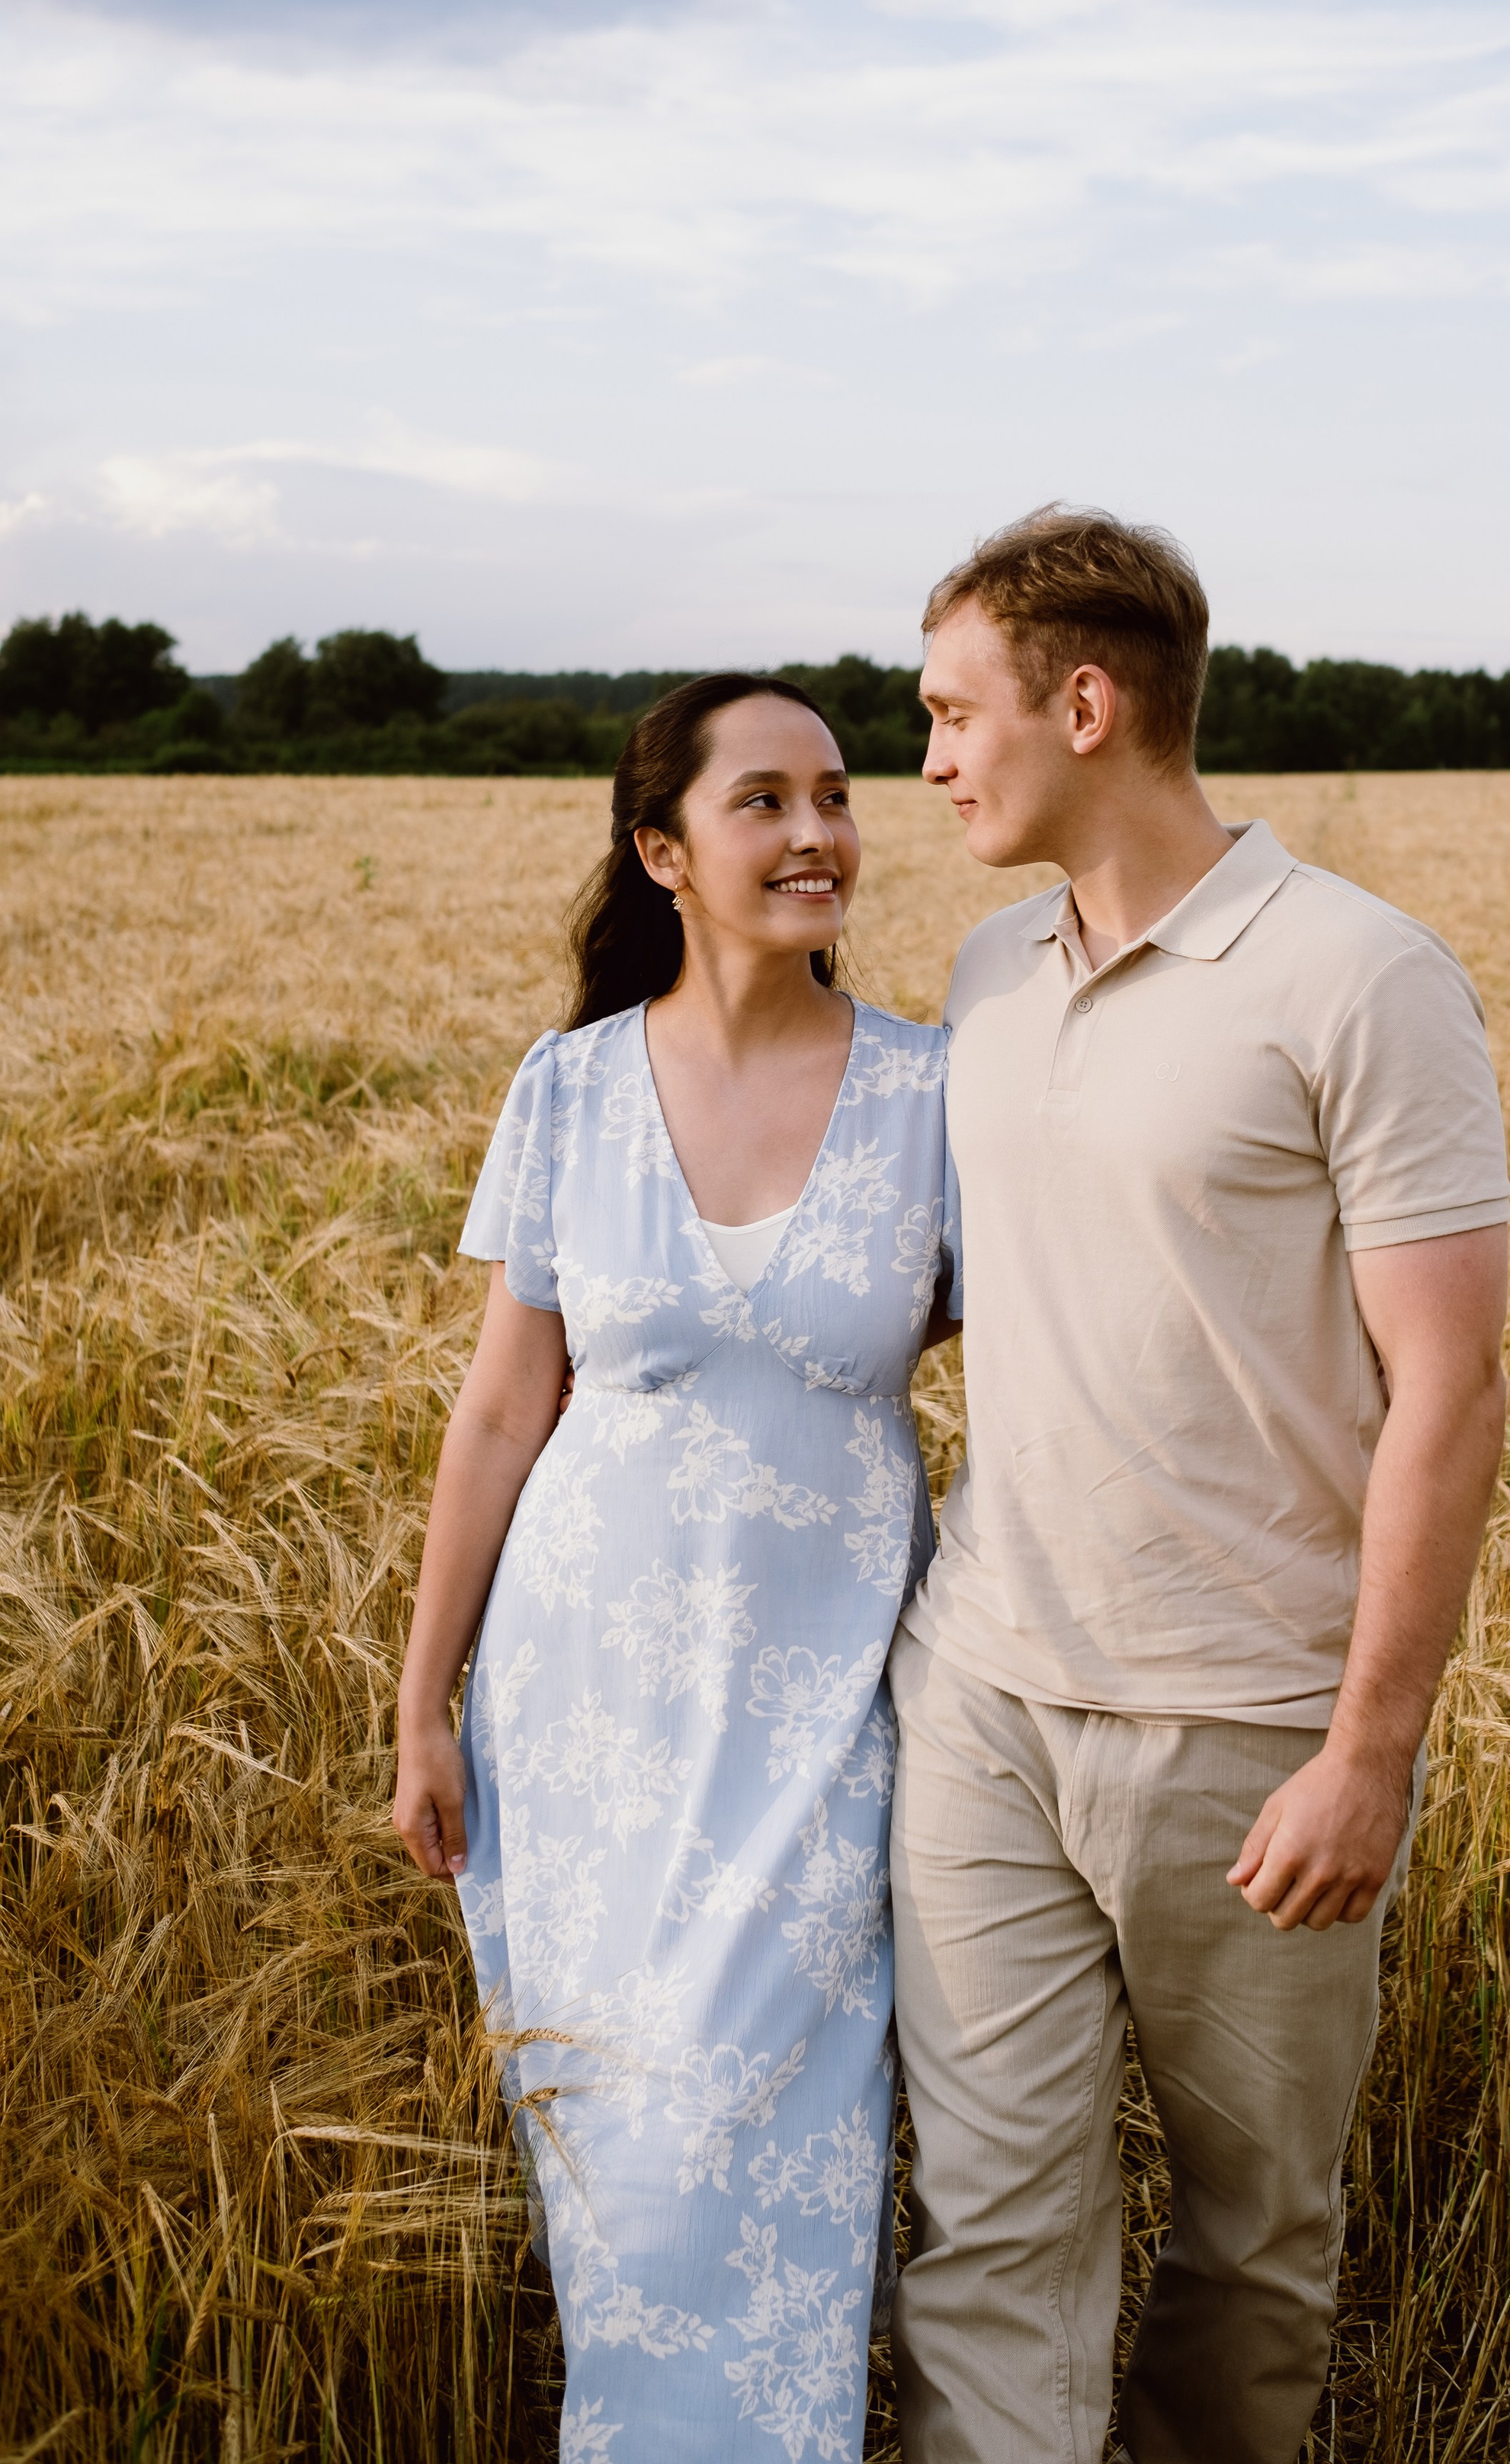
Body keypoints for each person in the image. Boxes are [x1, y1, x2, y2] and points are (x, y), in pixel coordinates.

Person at [890, 509, 1510, 2464]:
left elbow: (1451, 1385)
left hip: (1248, 1725)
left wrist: (1369, 1753)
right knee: (989, 2222)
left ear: (1084, 705)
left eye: (947, 712)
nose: (927, 762)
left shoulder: (1354, 976)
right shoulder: (989, 970)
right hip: (979, 1694)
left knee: (1252, 2245)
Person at [391, 673, 957, 2464]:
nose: (817, 835)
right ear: (665, 850)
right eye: (765, 802)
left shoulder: (934, 1095)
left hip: (819, 1722)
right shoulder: (564, 1091)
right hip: (580, 1722)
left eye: (839, 796)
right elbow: (498, 1414)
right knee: (630, 2187)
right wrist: (423, 1705)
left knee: (773, 2170)